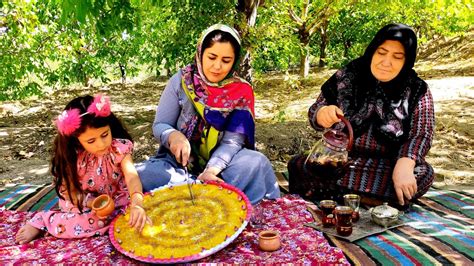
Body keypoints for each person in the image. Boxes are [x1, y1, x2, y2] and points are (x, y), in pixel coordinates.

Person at [288, 23, 435, 207]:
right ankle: (375, 198)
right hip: (340, 160)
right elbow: (316, 110)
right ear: (372, 50)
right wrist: (321, 114)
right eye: (381, 53)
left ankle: (337, 193)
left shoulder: (416, 90)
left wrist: (405, 164)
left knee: (423, 173)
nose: (386, 62)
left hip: (389, 165)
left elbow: (422, 133)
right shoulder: (348, 75)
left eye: (397, 57)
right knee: (299, 164)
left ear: (407, 61)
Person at [136, 24, 280, 205]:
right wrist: (173, 136)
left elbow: (232, 142)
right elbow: (160, 125)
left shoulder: (241, 90)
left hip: (223, 168)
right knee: (143, 173)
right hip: (180, 167)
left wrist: (211, 170)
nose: (217, 66)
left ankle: (190, 196)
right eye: (212, 57)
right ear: (200, 53)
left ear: (235, 61)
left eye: (226, 60)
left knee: (256, 162)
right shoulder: (181, 81)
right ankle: (212, 196)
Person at [15, 94, 150, 244]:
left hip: (117, 198)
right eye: (91, 141)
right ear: (76, 140)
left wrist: (137, 203)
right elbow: (71, 192)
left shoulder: (119, 148)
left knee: (142, 212)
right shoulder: (72, 157)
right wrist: (92, 203)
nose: (101, 144)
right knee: (91, 222)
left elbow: (131, 176)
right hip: (83, 201)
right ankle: (43, 221)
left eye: (105, 134)